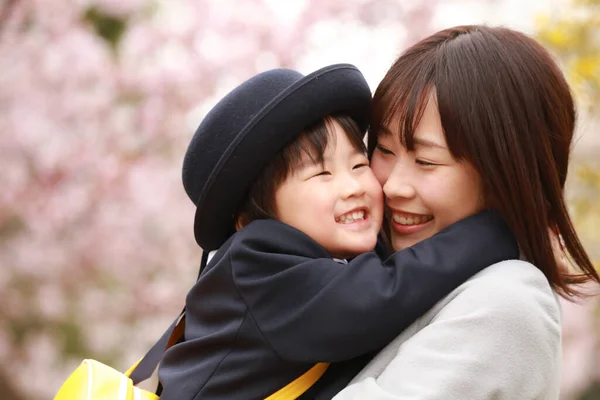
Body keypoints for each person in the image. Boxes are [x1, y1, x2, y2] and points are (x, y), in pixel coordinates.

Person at [156, 64, 519, 399]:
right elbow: (381, 296)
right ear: (251, 217)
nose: (353, 186)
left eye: (359, 163)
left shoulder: (327, 255)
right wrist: (490, 230)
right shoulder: (257, 259)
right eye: (321, 174)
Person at [332, 25, 600, 400]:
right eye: (385, 150)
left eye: (426, 161)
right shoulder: (391, 279)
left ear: (504, 172)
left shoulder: (506, 301)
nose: (393, 185)